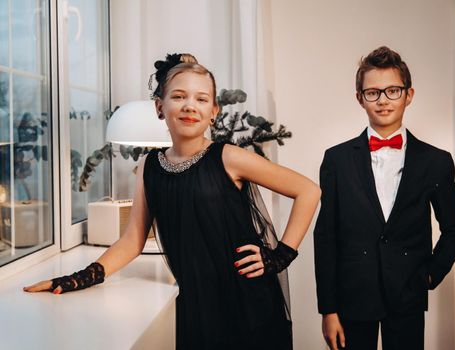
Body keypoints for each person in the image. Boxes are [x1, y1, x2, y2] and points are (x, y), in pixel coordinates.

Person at [24, 53, 321, 350]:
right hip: (195, 304)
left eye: (202, 99)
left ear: (214, 111)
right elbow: (132, 240)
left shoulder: (229, 157)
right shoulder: (149, 167)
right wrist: (80, 278)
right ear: (159, 107)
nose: (190, 105)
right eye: (179, 96)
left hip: (246, 300)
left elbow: (308, 191)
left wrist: (279, 256)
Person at [313, 46, 455, 350]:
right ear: (360, 98)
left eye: (393, 90)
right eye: (373, 92)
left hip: (408, 295)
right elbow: (325, 237)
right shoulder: (337, 159)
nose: (383, 100)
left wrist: (428, 276)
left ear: (408, 95)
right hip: (352, 298)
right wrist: (328, 310)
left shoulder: (435, 161)